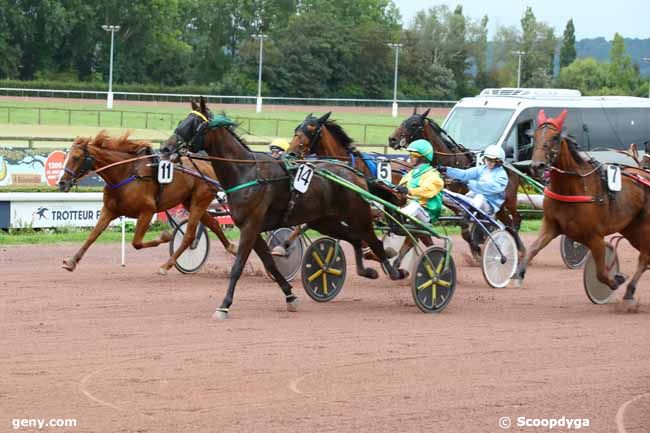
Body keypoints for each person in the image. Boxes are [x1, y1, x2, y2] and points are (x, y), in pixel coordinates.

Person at [439, 144, 508, 215]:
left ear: (498, 161)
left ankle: (467, 210)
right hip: (473, 200)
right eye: (487, 159)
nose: (489, 162)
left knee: (479, 197)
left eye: (492, 160)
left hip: (489, 205)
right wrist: (446, 169)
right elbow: (464, 174)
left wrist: (468, 183)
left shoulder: (501, 175)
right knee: (444, 194)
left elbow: (492, 188)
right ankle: (465, 209)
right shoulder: (481, 169)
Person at [395, 139, 444, 223]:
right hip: (410, 208)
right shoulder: (410, 174)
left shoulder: (433, 174)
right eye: (410, 154)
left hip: (427, 212)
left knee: (415, 206)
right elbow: (400, 187)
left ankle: (400, 219)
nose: (410, 157)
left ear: (423, 158)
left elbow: (427, 191)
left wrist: (408, 191)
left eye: (413, 155)